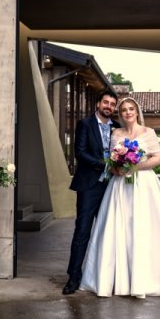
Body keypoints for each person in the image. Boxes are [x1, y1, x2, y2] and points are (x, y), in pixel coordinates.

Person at [80, 96, 160, 297]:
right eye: (124, 110)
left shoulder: (149, 132)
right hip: (120, 187)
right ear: (121, 114)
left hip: (145, 184)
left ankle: (150, 277)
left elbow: (158, 159)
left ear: (137, 112)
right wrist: (118, 168)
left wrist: (134, 166)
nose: (128, 112)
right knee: (119, 227)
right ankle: (118, 277)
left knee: (145, 226)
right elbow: (112, 159)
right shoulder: (116, 133)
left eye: (131, 109)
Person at [63, 89, 118, 295]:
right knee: (82, 231)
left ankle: (105, 276)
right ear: (98, 104)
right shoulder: (85, 124)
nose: (109, 107)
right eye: (106, 102)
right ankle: (74, 277)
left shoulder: (118, 128)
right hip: (89, 186)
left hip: (112, 187)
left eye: (112, 104)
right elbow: (80, 152)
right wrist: (105, 165)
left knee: (109, 232)